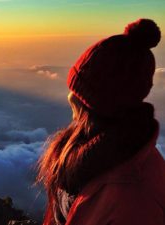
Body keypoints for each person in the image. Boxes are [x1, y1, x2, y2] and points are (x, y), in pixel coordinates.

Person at [37, 18, 164, 225]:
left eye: (78, 90)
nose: (70, 97)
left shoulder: (135, 194)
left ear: (100, 103)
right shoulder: (84, 147)